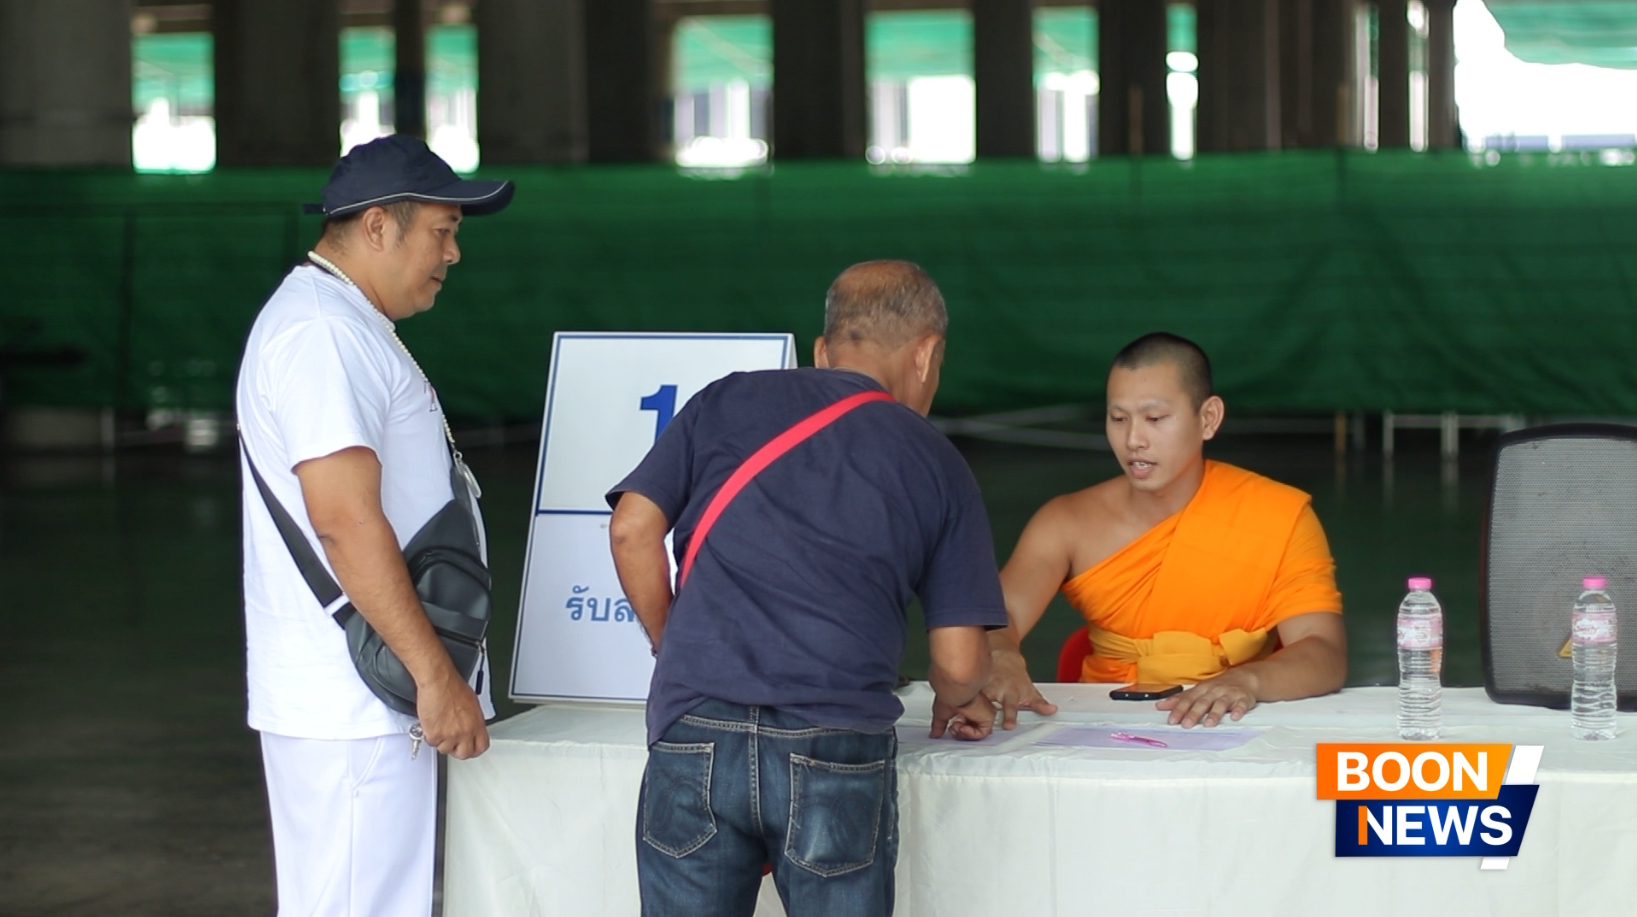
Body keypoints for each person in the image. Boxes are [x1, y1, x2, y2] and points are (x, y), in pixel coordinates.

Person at [608, 260, 1005, 917]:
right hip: (835, 741)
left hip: (695, 726)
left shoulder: (724, 400)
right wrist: (962, 699)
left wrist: (670, 640)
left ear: (823, 349)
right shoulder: (935, 460)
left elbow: (630, 530)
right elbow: (959, 664)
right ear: (927, 353)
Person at [235, 135, 513, 916]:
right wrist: (434, 677)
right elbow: (343, 519)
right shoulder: (324, 335)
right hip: (357, 699)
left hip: (359, 693)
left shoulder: (340, 323)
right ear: (377, 227)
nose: (452, 253)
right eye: (442, 230)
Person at [983, 332, 1347, 729]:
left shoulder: (1280, 516)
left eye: (1155, 419)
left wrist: (1248, 679)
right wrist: (1001, 655)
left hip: (1234, 724)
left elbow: (1323, 650)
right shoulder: (1067, 521)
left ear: (1208, 418)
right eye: (1118, 419)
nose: (1133, 440)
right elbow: (997, 614)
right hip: (1102, 729)